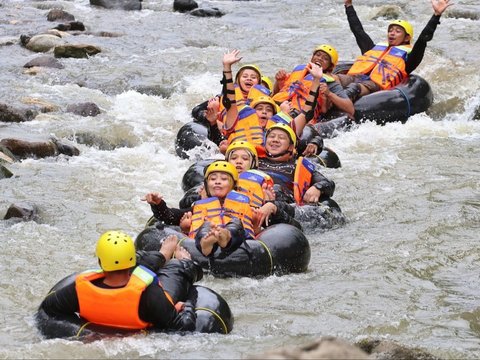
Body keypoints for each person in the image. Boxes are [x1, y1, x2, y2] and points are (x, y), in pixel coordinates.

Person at [39, 231, 201, 332]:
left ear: (101, 262)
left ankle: (161, 256)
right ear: (133, 259)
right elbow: (183, 327)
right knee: (175, 268)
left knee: (146, 267)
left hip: (124, 305)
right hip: (151, 305)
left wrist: (86, 333)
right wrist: (188, 303)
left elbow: (48, 309)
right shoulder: (148, 291)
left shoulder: (79, 288)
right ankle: (181, 260)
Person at [341, 0, 453, 101]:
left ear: (407, 38)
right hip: (356, 77)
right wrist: (348, 5)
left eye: (398, 31)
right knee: (336, 79)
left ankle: (336, 106)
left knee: (354, 88)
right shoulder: (373, 48)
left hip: (373, 86)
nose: (392, 33)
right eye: (390, 30)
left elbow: (423, 39)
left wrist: (436, 16)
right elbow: (358, 31)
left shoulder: (409, 59)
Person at [222, 49, 324, 156]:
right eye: (259, 109)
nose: (264, 112)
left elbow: (306, 114)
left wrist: (316, 80)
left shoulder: (283, 128)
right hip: (244, 161)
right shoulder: (237, 121)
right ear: (252, 112)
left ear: (274, 114)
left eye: (269, 110)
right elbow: (229, 101)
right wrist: (227, 68)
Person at [258, 123, 336, 205]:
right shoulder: (253, 160)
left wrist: (317, 188)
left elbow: (328, 183)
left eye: (281, 138)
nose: (275, 140)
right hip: (251, 196)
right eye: (272, 136)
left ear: (291, 147)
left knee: (276, 188)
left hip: (281, 203)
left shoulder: (296, 168)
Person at [273, 45, 354, 120]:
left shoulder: (329, 83)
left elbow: (350, 109)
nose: (320, 58)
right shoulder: (298, 70)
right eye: (318, 55)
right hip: (278, 105)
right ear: (312, 57)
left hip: (299, 115)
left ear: (330, 66)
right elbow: (277, 93)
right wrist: (278, 81)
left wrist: (329, 94)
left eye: (325, 58)